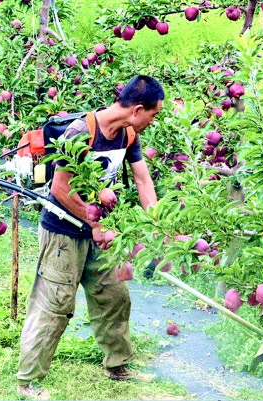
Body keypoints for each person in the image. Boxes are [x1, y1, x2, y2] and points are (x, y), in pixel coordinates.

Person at [16, 75, 164, 399]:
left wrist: (157, 225)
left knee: (114, 297)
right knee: (54, 305)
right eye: (153, 115)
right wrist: (95, 226)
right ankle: (27, 381)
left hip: (101, 234)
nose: (153, 121)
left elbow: (142, 181)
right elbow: (59, 188)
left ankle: (118, 365)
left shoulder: (127, 134)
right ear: (138, 109)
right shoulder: (81, 132)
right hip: (63, 231)